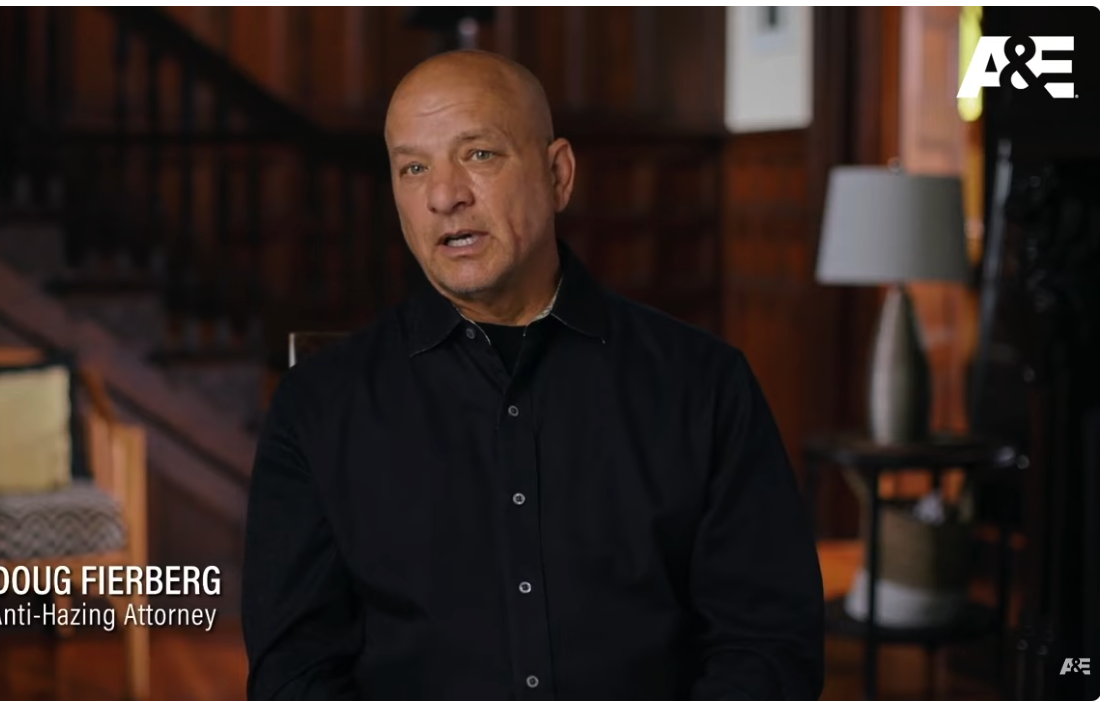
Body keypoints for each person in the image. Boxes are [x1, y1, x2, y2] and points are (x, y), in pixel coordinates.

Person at [242, 50, 824, 700]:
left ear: (558, 175)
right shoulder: (320, 405)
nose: (444, 195)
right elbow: (294, 671)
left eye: (479, 154)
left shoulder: (704, 384)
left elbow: (769, 645)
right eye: (413, 168)